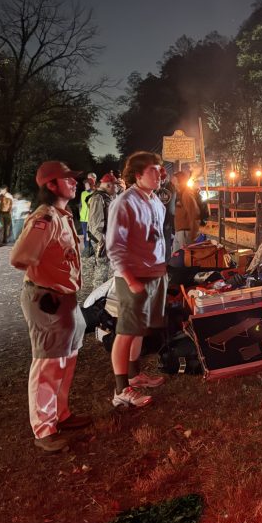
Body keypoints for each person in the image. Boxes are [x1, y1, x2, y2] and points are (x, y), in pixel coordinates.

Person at [10, 161, 92, 453]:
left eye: (73, 177)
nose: (73, 182)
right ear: (51, 185)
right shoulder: (45, 218)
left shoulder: (63, 215)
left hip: (64, 299)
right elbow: (20, 257)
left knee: (66, 357)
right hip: (48, 300)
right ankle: (44, 430)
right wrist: (43, 280)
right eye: (66, 179)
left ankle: (61, 414)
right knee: (48, 363)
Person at [105, 151, 170, 409]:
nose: (159, 175)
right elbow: (114, 246)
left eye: (159, 170)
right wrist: (130, 279)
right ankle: (121, 389)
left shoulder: (155, 200)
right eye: (153, 170)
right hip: (134, 276)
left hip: (155, 273)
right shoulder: (124, 202)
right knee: (126, 331)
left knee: (140, 329)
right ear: (138, 174)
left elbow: (157, 237)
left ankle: (134, 375)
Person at [87, 172, 116, 288]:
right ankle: (96, 299)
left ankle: (100, 297)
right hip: (101, 239)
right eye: (115, 185)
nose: (116, 188)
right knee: (101, 269)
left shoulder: (105, 196)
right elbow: (95, 224)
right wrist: (102, 240)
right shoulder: (98, 197)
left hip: (105, 238)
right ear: (108, 185)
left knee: (105, 268)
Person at [171, 171, 201, 252]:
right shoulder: (181, 193)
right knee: (175, 259)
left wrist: (192, 235)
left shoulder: (186, 194)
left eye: (175, 181)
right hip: (179, 232)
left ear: (180, 181)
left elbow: (194, 214)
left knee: (184, 259)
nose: (173, 183)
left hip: (185, 233)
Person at [79, 173, 96, 256]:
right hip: (83, 218)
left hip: (91, 219)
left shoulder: (95, 194)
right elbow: (81, 204)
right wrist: (80, 212)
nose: (85, 186)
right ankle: (87, 251)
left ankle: (93, 251)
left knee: (92, 236)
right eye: (85, 185)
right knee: (85, 235)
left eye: (87, 184)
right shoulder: (83, 193)